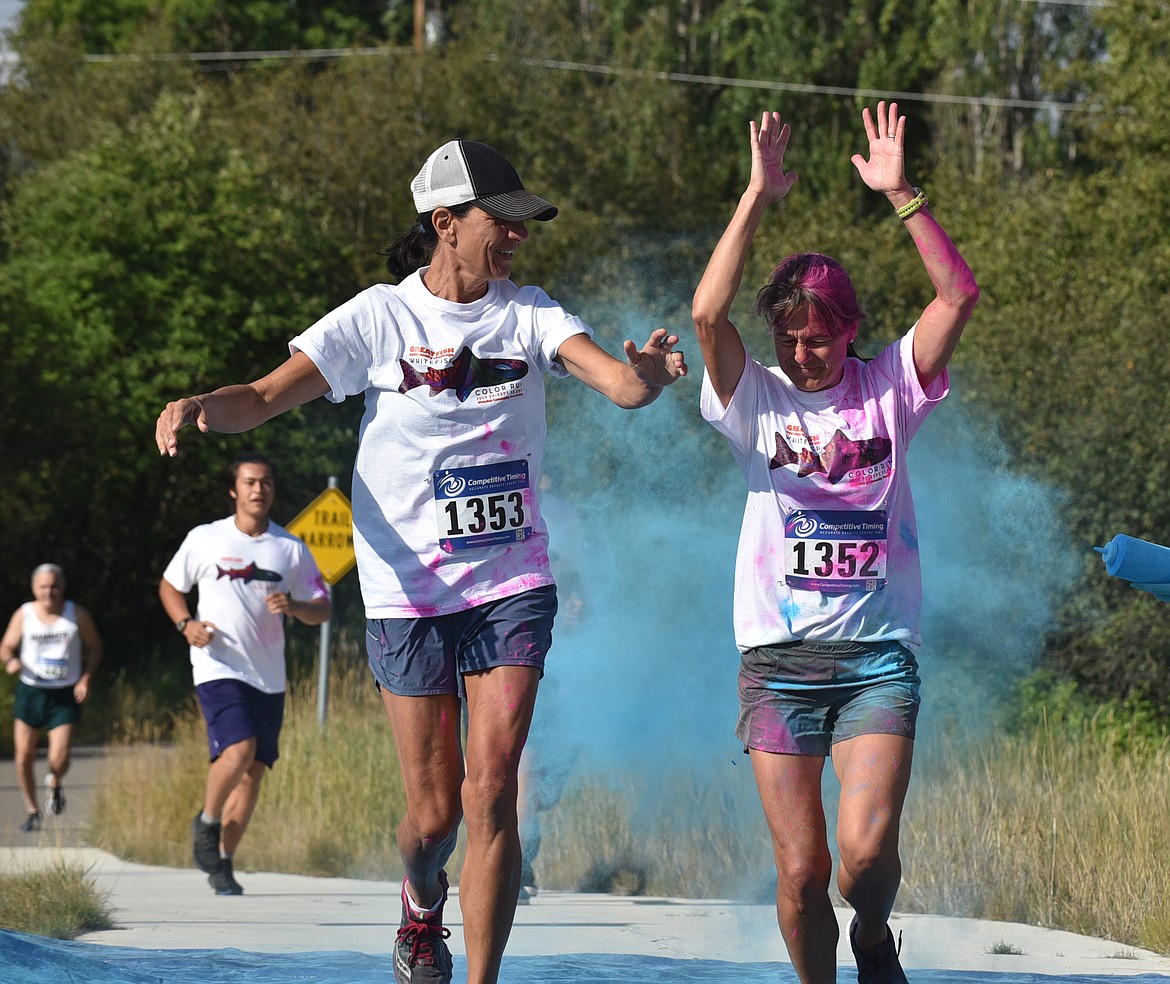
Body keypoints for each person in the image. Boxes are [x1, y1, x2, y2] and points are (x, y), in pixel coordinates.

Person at [154, 137, 686, 984]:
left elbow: (616, 387)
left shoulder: (533, 312)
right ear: (446, 223)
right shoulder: (378, 318)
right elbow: (259, 397)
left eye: (522, 225)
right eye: (500, 223)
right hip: (409, 595)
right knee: (435, 817)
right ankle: (418, 900)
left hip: (511, 582)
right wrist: (197, 406)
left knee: (494, 791)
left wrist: (647, 376)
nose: (517, 238)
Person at [692, 103, 978, 984]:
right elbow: (708, 314)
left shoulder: (891, 384)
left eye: (817, 339)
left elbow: (958, 295)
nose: (802, 354)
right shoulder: (759, 400)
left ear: (848, 331)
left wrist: (902, 197)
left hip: (876, 658)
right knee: (802, 871)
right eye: (788, 339)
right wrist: (754, 196)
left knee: (860, 860)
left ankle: (874, 932)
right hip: (777, 660)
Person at [158, 452, 332, 896]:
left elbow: (323, 606)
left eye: (266, 482)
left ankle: (222, 862)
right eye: (250, 482)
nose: (259, 489)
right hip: (218, 664)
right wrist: (185, 625)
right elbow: (170, 585)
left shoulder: (289, 548)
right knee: (238, 749)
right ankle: (207, 821)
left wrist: (295, 606)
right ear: (234, 490)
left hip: (268, 675)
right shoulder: (205, 538)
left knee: (253, 771)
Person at [1, 563, 102, 833]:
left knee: (60, 755)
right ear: (34, 588)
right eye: (43, 587)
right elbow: (6, 646)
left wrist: (85, 679)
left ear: (62, 586)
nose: (49, 592)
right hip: (31, 690)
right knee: (23, 755)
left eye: (54, 586)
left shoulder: (76, 614)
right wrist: (10, 660)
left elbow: (95, 646)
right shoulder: (24, 614)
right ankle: (33, 811)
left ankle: (54, 780)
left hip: (64, 692)